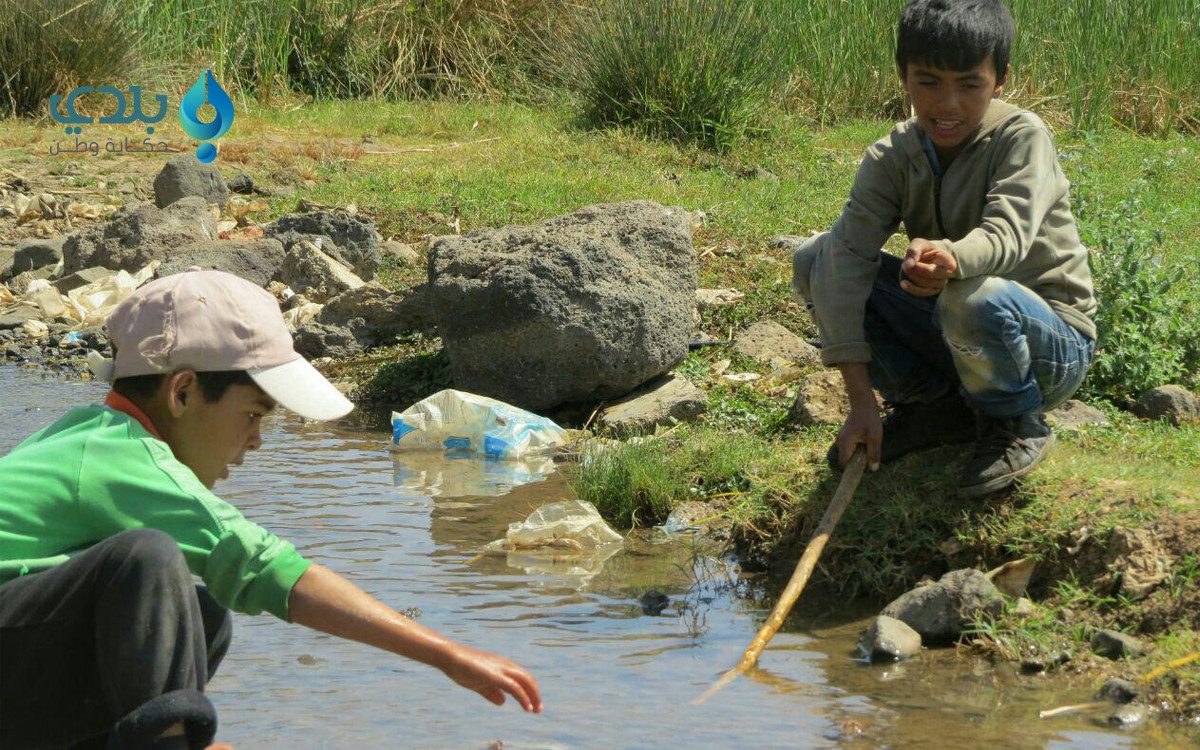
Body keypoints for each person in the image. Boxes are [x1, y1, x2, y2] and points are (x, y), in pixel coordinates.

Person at [0, 269, 542, 750]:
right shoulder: (121, 460)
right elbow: (269, 569)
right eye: (253, 414)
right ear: (183, 392)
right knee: (147, 563)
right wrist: (446, 655)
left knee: (200, 614)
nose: (257, 440)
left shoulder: (84, 435)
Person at [792, 0, 1096, 497]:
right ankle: (935, 406)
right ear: (903, 77)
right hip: (954, 332)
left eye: (969, 84)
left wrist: (951, 260)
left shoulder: (1023, 138)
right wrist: (861, 404)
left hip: (1049, 345)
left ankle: (1017, 424)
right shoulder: (893, 155)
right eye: (928, 82)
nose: (947, 104)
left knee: (971, 296)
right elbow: (845, 259)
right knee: (816, 259)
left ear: (1000, 80)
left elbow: (1008, 234)